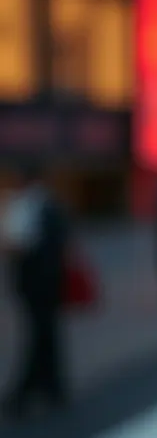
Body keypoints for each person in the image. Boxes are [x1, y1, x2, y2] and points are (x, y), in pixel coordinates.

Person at [1, 167, 69, 419]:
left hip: (34, 281)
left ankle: (26, 391)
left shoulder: (25, 207)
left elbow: (16, 245)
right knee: (47, 332)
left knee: (40, 333)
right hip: (48, 281)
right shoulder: (50, 205)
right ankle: (52, 387)